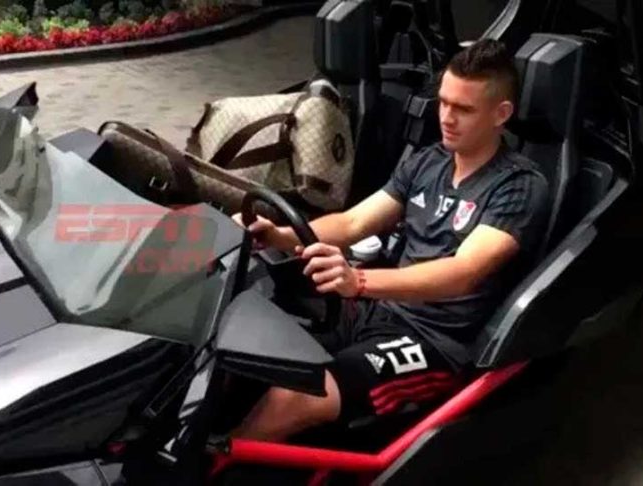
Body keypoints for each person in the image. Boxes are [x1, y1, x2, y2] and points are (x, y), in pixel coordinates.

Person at [232, 39, 550, 442]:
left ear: (500, 114)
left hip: (434, 341)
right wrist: (278, 235)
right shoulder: (429, 161)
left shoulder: (518, 185)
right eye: (443, 103)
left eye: (464, 109)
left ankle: (216, 465)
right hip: (376, 313)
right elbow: (353, 222)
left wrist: (359, 281)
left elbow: (463, 272)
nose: (447, 118)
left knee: (298, 395)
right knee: (248, 350)